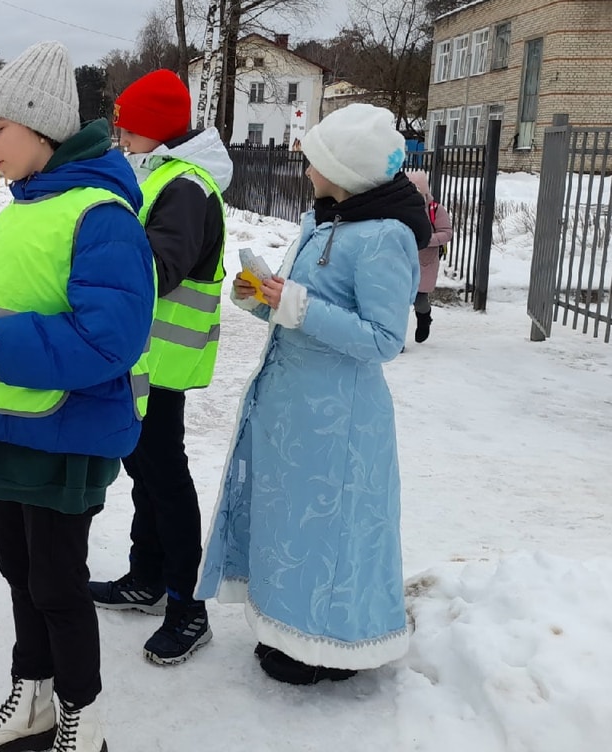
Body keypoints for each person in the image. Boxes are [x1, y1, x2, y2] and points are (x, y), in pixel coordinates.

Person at [0, 41, 155, 752]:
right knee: (20, 575)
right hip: (5, 426)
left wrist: (6, 345)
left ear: (41, 130)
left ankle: (84, 717)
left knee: (57, 583)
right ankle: (33, 699)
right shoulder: (25, 207)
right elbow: (10, 300)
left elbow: (112, 339)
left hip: (65, 434)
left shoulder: (102, 216)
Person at [196, 103, 431, 686]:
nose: (305, 170)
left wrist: (294, 305)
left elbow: (383, 340)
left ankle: (333, 645)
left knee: (335, 528)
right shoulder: (320, 222)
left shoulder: (385, 239)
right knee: (292, 524)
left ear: (345, 171)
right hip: (292, 409)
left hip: (342, 419)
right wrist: (259, 296)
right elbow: (293, 304)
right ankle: (288, 629)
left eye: (314, 161)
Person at [88, 70, 232, 666]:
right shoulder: (159, 175)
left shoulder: (186, 186)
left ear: (153, 128)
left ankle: (187, 606)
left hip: (164, 361)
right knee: (144, 473)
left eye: (127, 124)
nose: (119, 133)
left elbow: (159, 268)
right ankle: (146, 578)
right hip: (140, 357)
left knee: (165, 478)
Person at [406, 170, 453, 343]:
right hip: (402, 259)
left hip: (425, 260)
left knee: (420, 298)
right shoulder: (400, 208)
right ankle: (397, 338)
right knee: (398, 301)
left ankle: (424, 319)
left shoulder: (435, 210)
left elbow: (447, 233)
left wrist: (426, 240)